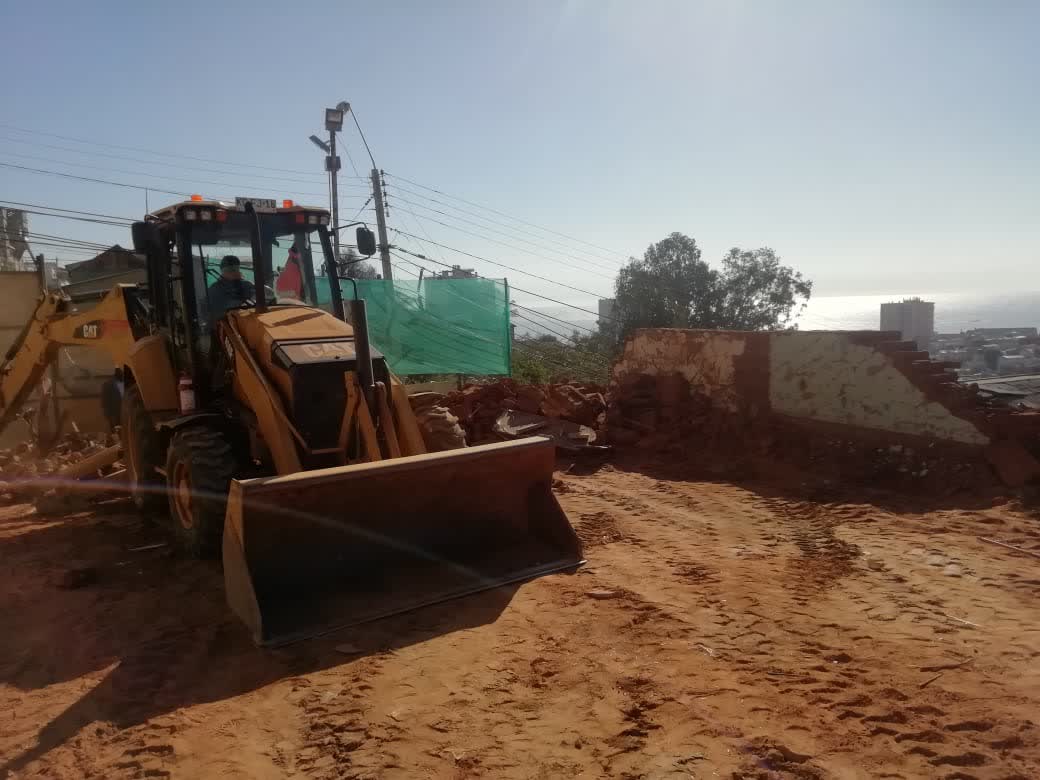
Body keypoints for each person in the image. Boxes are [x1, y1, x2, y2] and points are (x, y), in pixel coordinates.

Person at [208, 255, 255, 321]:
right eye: (230, 270)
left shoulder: (247, 284)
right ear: (222, 271)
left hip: (249, 320)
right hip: (227, 324)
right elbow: (215, 313)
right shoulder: (215, 289)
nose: (234, 272)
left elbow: (261, 297)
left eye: (236, 269)